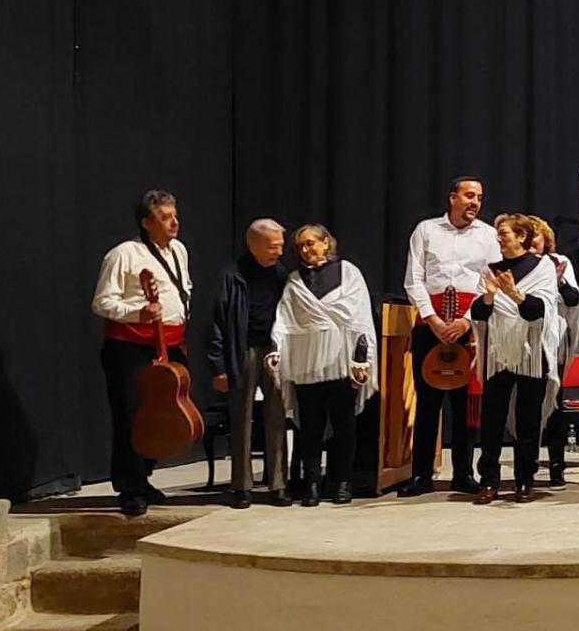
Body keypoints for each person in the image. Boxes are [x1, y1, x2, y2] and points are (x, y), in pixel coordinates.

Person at [91, 190, 194, 517]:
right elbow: (102, 303)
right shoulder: (124, 255)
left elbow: (184, 290)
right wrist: (138, 312)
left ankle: (144, 476)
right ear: (146, 222)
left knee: (167, 415)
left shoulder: (179, 250)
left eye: (175, 214)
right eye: (165, 217)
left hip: (170, 343)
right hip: (130, 346)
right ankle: (130, 488)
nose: (174, 221)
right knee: (133, 416)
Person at [399, 177, 502, 497]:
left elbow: (491, 282)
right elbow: (413, 279)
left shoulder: (488, 235)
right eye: (469, 196)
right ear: (453, 198)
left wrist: (465, 321)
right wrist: (432, 320)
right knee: (428, 402)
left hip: (469, 325)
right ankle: (421, 475)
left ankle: (463, 474)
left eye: (480, 198)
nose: (475, 202)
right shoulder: (426, 230)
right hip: (430, 323)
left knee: (464, 403)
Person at [266, 224, 377, 506]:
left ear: (326, 243)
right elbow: (286, 320)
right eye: (300, 246)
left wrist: (361, 358)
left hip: (341, 361)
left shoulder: (349, 273)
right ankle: (311, 483)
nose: (306, 249)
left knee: (344, 424)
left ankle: (342, 482)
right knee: (310, 426)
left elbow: (360, 316)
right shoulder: (295, 280)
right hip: (306, 363)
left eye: (311, 243)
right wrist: (278, 349)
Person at [470, 214, 562, 504]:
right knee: (492, 419)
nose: (499, 238)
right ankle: (489, 480)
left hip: (531, 352)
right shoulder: (491, 269)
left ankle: (525, 480)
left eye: (505, 233)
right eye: (499, 233)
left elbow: (540, 311)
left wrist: (514, 294)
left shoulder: (542, 267)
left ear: (521, 237)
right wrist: (488, 297)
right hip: (499, 352)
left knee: (528, 420)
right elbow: (479, 315)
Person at [207, 218, 292, 509]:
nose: (279, 252)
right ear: (253, 245)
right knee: (241, 417)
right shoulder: (233, 275)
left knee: (277, 414)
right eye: (272, 246)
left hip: (274, 350)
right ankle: (241, 486)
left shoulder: (281, 274)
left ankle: (278, 483)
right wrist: (218, 365)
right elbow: (218, 320)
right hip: (242, 351)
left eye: (280, 246)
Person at [530, 216, 579, 488]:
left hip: (554, 343)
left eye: (534, 236)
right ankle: (526, 466)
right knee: (526, 403)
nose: (530, 241)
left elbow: (574, 300)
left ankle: (556, 466)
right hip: (523, 343)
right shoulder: (513, 265)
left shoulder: (558, 261)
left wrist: (560, 282)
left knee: (556, 405)